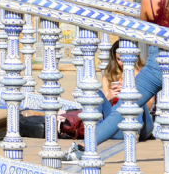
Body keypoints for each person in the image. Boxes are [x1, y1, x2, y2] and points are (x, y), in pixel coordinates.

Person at [67, 0, 169, 174]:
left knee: (123, 108)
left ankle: (85, 147)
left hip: (160, 63)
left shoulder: (151, 0)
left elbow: (140, 30)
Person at [19, 40, 155, 140]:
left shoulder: (144, 74)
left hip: (141, 124)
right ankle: (98, 131)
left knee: (137, 101)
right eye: (119, 59)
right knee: (96, 95)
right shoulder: (110, 75)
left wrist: (129, 92)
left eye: (125, 58)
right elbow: (102, 104)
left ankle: (128, 132)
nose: (122, 63)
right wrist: (109, 96)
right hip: (115, 121)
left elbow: (149, 106)